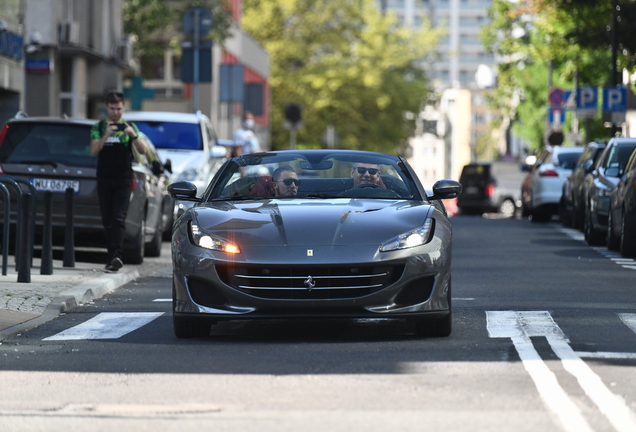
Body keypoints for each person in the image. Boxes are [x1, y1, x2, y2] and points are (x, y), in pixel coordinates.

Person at [90, 91, 146, 272]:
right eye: (112, 108)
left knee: (119, 217)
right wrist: (106, 134)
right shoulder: (98, 127)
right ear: (106, 107)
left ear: (123, 108)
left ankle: (116, 256)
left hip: (123, 178)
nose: (116, 112)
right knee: (107, 219)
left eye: (119, 109)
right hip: (105, 178)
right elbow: (94, 150)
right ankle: (111, 255)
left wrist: (133, 135)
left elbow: (143, 151)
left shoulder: (130, 126)